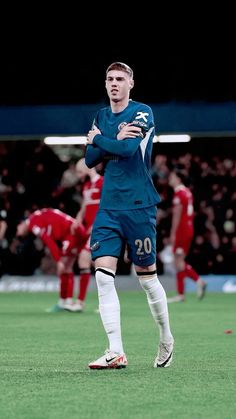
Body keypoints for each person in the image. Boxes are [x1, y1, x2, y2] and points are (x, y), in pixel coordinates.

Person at [85, 62, 174, 369]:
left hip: (138, 204)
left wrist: (98, 139)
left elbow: (126, 150)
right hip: (108, 205)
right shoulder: (101, 115)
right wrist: (109, 140)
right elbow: (89, 159)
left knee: (147, 278)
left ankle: (166, 337)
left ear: (131, 84)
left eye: (120, 79)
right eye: (109, 78)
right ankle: (115, 351)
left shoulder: (142, 112)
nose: (114, 84)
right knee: (102, 276)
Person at [16, 208, 88, 312]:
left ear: (20, 223)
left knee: (64, 266)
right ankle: (66, 301)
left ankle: (66, 302)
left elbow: (48, 240)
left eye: (17, 230)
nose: (18, 234)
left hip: (72, 232)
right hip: (75, 231)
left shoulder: (33, 223)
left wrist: (58, 260)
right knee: (68, 266)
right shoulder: (37, 216)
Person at [66, 158, 103, 312]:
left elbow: (105, 206)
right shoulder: (87, 185)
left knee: (83, 258)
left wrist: (95, 225)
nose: (79, 175)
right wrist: (78, 219)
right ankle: (106, 303)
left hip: (99, 228)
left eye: (80, 171)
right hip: (87, 229)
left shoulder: (102, 182)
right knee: (100, 265)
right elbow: (85, 205)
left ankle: (80, 303)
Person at [167, 167, 207, 303]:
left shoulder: (179, 194)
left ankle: (197, 281)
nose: (169, 179)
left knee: (178, 261)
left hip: (181, 230)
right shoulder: (188, 192)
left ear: (178, 179)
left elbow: (177, 215)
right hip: (189, 228)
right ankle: (181, 293)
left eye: (172, 177)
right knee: (179, 262)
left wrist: (172, 233)